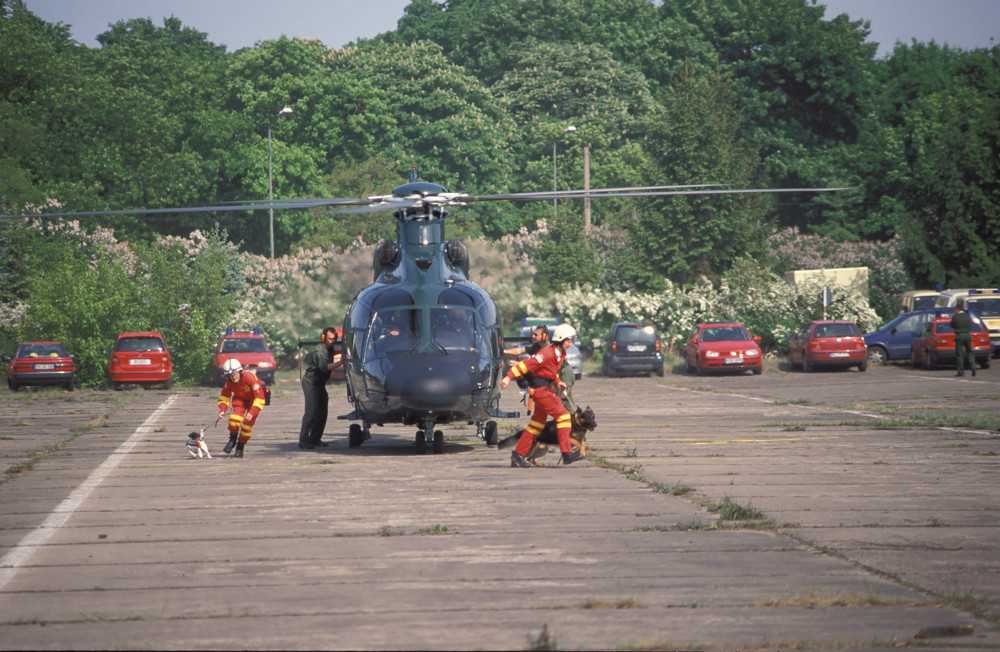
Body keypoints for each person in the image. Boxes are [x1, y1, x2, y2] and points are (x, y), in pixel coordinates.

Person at [499, 324, 585, 468]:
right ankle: (566, 453)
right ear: (561, 339)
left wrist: (558, 382)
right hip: (541, 392)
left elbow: (550, 372)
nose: (570, 344)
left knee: (536, 426)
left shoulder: (560, 354)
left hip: (547, 389)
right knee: (564, 416)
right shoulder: (547, 353)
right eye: (569, 341)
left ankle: (518, 454)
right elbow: (526, 365)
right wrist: (508, 377)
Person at [299, 327, 343, 450]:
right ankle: (303, 440)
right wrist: (340, 362)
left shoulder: (330, 348)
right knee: (311, 411)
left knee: (322, 411)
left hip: (319, 383)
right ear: (323, 338)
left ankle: (315, 439)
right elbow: (324, 367)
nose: (332, 341)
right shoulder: (320, 350)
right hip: (311, 382)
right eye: (329, 339)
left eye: (334, 339)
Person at [218, 358, 267, 458]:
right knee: (233, 421)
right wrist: (222, 410)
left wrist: (252, 412)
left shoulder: (250, 378)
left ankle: (240, 447)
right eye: (230, 375)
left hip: (254, 402)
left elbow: (260, 398)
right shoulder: (229, 382)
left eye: (235, 373)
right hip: (240, 400)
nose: (233, 377)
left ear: (240, 371)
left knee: (246, 427)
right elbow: (224, 396)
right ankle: (233, 439)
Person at [950, 301, 976, 377]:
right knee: (970, 352)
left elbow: (952, 325)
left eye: (955, 309)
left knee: (959, 354)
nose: (955, 311)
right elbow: (970, 324)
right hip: (968, 335)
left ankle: (961, 371)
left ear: (957, 309)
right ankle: (973, 366)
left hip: (959, 335)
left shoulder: (955, 317)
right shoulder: (967, 316)